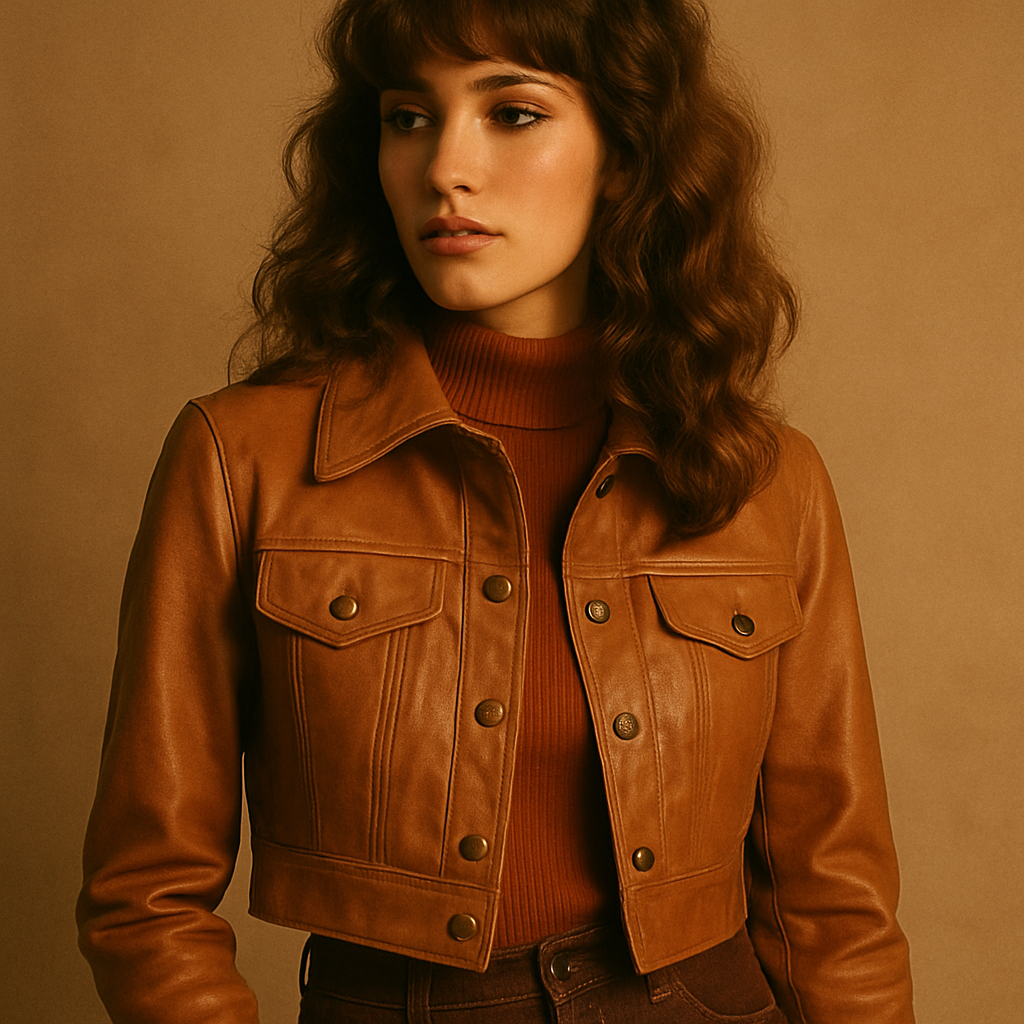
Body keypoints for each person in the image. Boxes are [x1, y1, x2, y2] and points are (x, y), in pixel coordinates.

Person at [76, 0, 915, 1021]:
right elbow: (144, 896)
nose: (443, 168)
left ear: (622, 152)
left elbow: (832, 895)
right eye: (407, 116)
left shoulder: (765, 477)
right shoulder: (241, 456)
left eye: (512, 112)